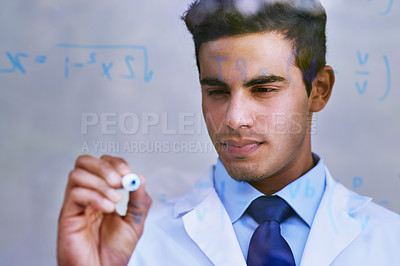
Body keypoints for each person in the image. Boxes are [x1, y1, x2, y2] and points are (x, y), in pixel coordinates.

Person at [57, 0, 400, 265]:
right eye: (217, 92)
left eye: (264, 89)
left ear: (320, 89)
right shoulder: (135, 245)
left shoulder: (391, 244)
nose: (234, 119)